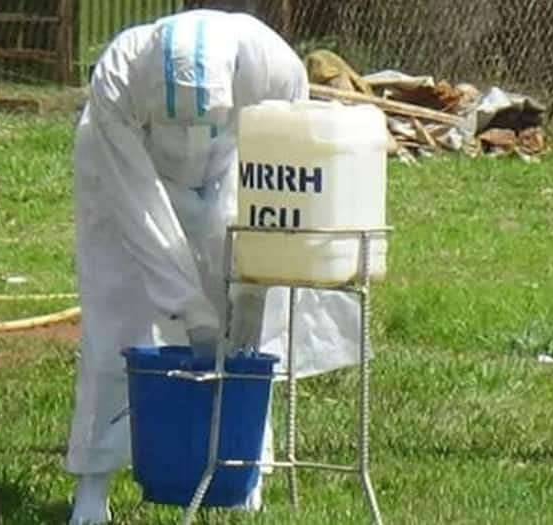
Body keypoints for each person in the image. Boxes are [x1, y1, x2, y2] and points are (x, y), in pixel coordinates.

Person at [67, 9, 364, 524]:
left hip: (231, 169)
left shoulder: (275, 69)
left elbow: (276, 187)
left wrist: (249, 291)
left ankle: (245, 468)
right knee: (116, 318)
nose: (187, 129)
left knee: (253, 324)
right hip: (123, 172)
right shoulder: (118, 75)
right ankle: (93, 487)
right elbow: (140, 209)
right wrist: (187, 307)